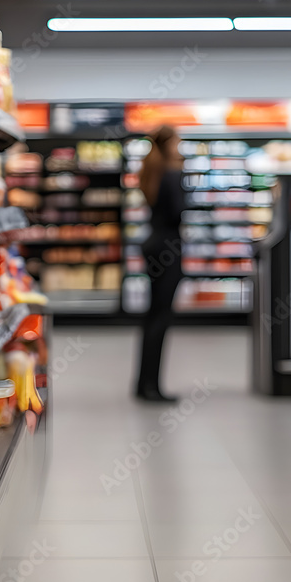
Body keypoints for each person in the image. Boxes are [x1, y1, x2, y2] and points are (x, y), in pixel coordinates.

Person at [135, 125, 185, 402]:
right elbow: (179, 212)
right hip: (169, 248)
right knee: (161, 317)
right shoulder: (171, 173)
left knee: (152, 316)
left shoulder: (151, 170)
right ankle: (152, 387)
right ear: (169, 143)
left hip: (153, 244)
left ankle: (144, 383)